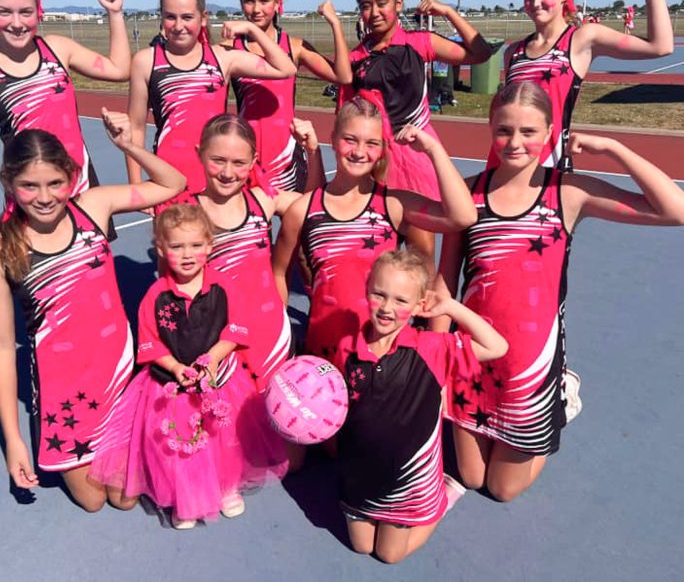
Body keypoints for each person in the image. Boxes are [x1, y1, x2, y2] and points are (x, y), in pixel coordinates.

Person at [437, 81, 684, 503]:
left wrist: (613, 149)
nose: (515, 142)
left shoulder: (566, 192)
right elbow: (445, 281)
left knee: (501, 489)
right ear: (491, 128)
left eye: (529, 131)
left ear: (551, 132)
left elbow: (673, 211)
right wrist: (440, 357)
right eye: (504, 130)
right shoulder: (468, 192)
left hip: (530, 363)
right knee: (473, 476)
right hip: (473, 358)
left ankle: (558, 405)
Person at [0, 110, 186, 512]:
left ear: (72, 177)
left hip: (117, 374)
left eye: (55, 183)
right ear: (9, 183)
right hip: (64, 389)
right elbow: (2, 346)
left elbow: (173, 183)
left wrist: (128, 144)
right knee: (93, 501)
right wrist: (14, 440)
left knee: (124, 500)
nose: (44, 197)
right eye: (29, 186)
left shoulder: (94, 205)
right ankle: (61, 435)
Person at [90, 204, 288, 529]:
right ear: (161, 248)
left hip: (221, 381)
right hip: (172, 388)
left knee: (222, 437)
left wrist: (213, 357)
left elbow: (236, 329)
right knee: (179, 445)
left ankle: (225, 486)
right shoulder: (155, 296)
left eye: (196, 245)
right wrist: (175, 367)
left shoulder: (223, 286)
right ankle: (186, 496)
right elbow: (150, 343)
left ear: (210, 246)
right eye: (177, 246)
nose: (187, 254)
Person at [272, 92, 477, 369]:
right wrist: (279, 330)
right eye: (350, 140)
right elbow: (278, 272)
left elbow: (462, 216)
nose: (359, 152)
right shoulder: (303, 210)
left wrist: (433, 149)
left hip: (382, 363)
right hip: (324, 363)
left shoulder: (392, 204)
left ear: (382, 149)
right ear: (332, 139)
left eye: (371, 143)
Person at [336, 249, 507, 563]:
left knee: (389, 555)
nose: (388, 307)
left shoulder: (432, 348)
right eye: (379, 294)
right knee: (361, 546)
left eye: (401, 301)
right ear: (366, 291)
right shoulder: (348, 346)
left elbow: (496, 346)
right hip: (359, 475)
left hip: (409, 482)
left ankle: (444, 495)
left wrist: (451, 306)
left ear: (418, 306)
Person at [341, 0, 491, 261]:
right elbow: (345, 116)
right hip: (375, 163)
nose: (374, 13)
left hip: (415, 160)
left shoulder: (420, 43)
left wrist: (447, 11)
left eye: (382, 3)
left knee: (419, 253)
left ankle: (419, 308)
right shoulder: (355, 59)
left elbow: (480, 53)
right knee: (375, 250)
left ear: (398, 4)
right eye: (365, 5)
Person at [0, 0, 132, 232]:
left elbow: (119, 69)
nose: (17, 23)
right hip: (29, 199)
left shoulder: (58, 48)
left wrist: (114, 13)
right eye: (4, 12)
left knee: (92, 270)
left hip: (80, 190)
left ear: (38, 9)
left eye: (26, 12)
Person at [127, 0, 297, 206]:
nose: (178, 26)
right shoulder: (146, 61)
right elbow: (136, 127)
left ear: (203, 18)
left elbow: (285, 68)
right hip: (168, 182)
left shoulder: (222, 57)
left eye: (187, 17)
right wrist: (137, 186)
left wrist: (252, 29)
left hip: (216, 181)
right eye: (170, 17)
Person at [501, 0, 673, 171]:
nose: (535, 3)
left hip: (550, 172)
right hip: (506, 168)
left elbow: (661, 46)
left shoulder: (582, 39)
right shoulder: (513, 53)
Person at [194, 113, 322, 392]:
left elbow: (316, 207)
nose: (227, 173)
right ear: (199, 155)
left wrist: (313, 152)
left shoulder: (262, 200)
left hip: (268, 335)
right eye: (217, 160)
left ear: (253, 162)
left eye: (239, 163)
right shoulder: (188, 213)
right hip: (216, 341)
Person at [228, 0, 352, 191]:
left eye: (264, 1)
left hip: (287, 159)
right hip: (247, 158)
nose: (256, 9)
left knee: (295, 224)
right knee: (254, 226)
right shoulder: (230, 49)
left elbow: (342, 76)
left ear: (277, 2)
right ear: (240, 2)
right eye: (249, 0)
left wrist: (335, 23)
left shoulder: (294, 47)